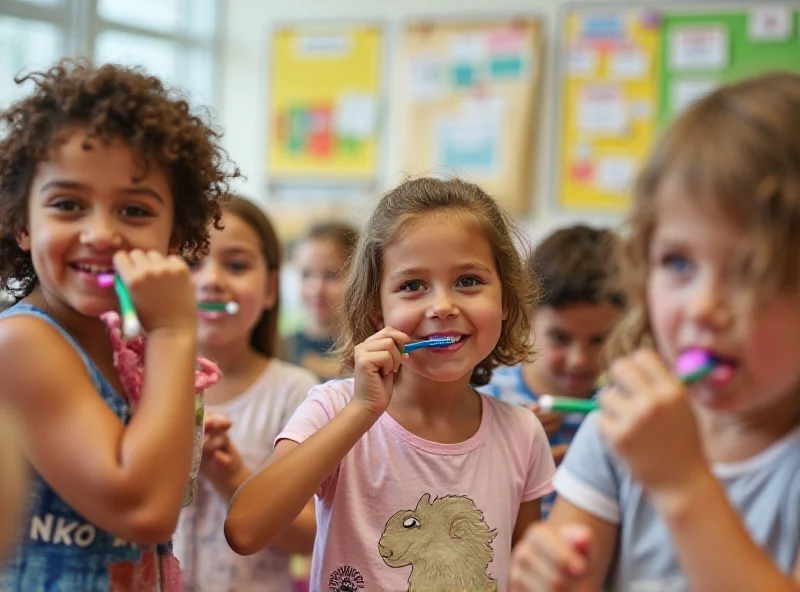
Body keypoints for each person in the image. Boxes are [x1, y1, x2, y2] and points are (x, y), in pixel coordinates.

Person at [509, 73, 800, 592]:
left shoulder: (656, 446)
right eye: (678, 263)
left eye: (751, 269)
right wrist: (546, 575)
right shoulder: (621, 424)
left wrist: (683, 483)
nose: (703, 308)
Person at [225, 177, 556, 591]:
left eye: (468, 280)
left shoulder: (522, 435)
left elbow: (524, 578)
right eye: (412, 286)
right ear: (377, 311)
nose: (442, 306)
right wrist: (360, 413)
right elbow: (244, 530)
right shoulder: (334, 408)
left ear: (505, 301)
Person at [0, 59, 238, 590]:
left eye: (133, 210)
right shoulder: (20, 342)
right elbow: (143, 510)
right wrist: (176, 333)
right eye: (67, 204)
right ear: (21, 222)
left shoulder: (124, 342)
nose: (101, 233)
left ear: (175, 235)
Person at [174, 196, 318, 592]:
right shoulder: (134, 385)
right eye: (191, 262)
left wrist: (232, 476)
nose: (211, 280)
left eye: (236, 265)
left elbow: (312, 536)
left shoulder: (298, 394)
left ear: (271, 288)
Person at [479, 225, 624, 517]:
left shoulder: (618, 409)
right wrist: (512, 454)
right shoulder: (486, 401)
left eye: (599, 340)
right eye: (560, 337)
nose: (579, 360)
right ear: (526, 318)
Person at [282, 222, 358, 381]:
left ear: (360, 278)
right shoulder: (281, 350)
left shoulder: (372, 348)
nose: (316, 289)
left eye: (331, 275)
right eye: (306, 275)